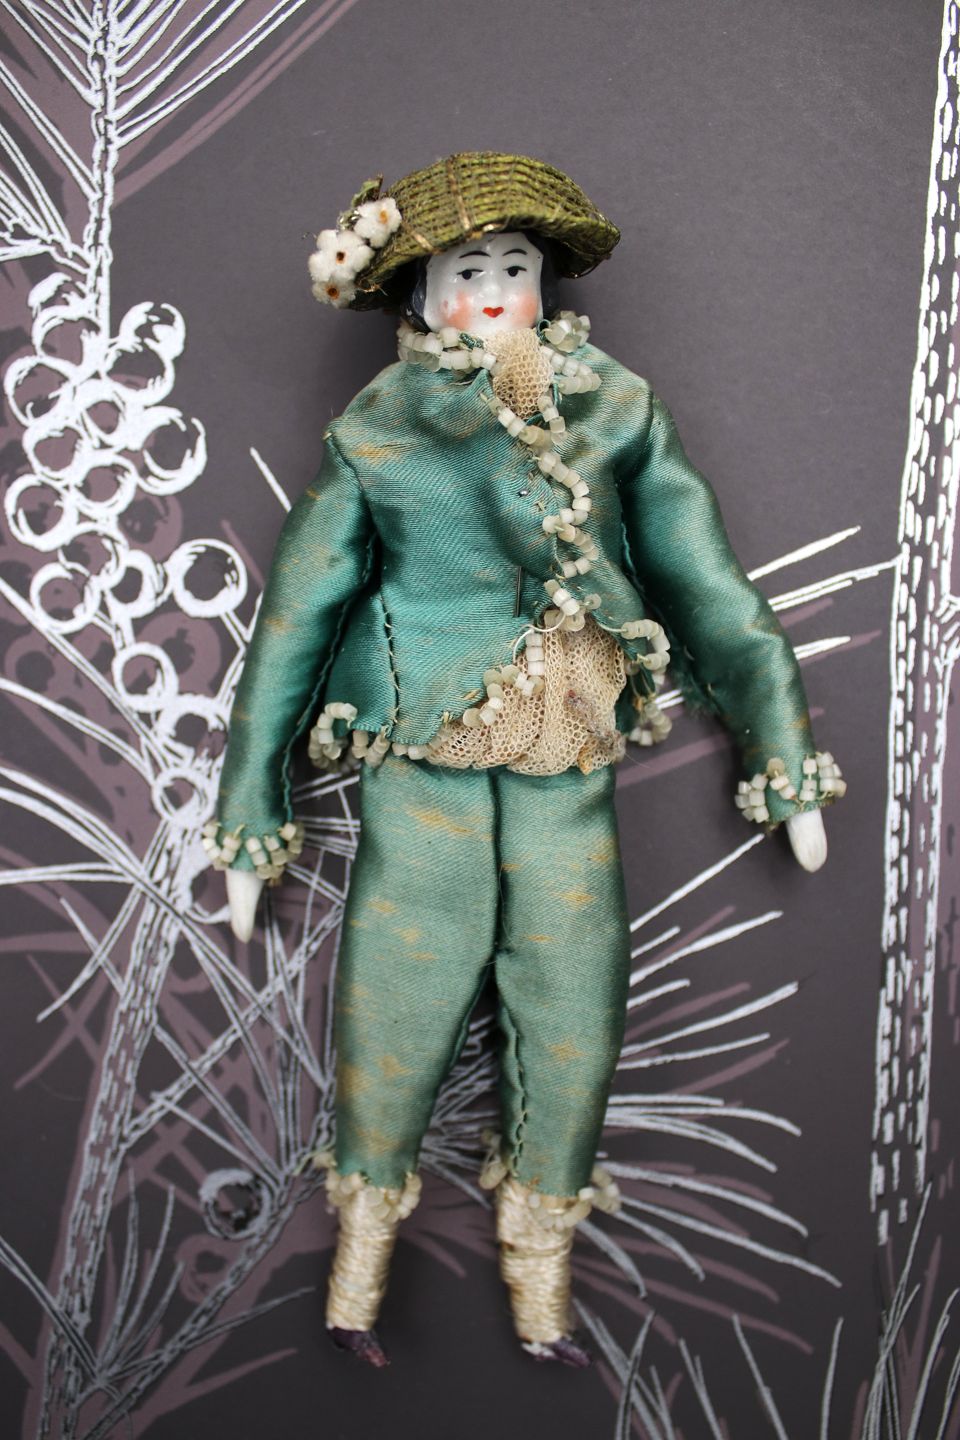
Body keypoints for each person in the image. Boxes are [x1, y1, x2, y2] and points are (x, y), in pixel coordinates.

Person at [203, 152, 843, 1368]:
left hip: (568, 731)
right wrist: (251, 802)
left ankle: (541, 1253)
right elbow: (296, 618)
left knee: (574, 986)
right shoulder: (376, 431)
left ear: (547, 282)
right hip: (425, 735)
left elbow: (706, 582)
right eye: (466, 270)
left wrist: (783, 746)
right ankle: (361, 1247)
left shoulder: (615, 408)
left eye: (515, 266)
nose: (494, 289)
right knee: (402, 974)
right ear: (418, 295)